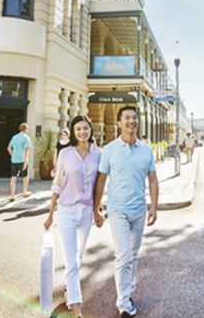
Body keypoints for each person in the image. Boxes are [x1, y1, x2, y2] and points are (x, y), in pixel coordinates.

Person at [94, 106, 159, 318]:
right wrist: (97, 208)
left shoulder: (146, 150)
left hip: (139, 210)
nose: (131, 121)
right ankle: (123, 304)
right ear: (120, 123)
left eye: (134, 117)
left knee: (133, 255)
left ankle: (128, 291)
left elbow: (152, 179)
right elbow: (101, 179)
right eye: (127, 118)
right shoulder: (110, 150)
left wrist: (154, 206)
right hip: (117, 210)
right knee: (123, 256)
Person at [43, 115, 102, 318]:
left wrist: (97, 210)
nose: (82, 132)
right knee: (71, 261)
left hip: (86, 212)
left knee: (79, 257)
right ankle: (77, 309)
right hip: (66, 210)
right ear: (73, 132)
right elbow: (57, 183)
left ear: (90, 130)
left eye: (85, 128)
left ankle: (70, 289)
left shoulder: (98, 154)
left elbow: (99, 186)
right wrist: (50, 213)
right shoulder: (65, 154)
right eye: (78, 129)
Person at [8, 122, 32, 201]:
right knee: (25, 176)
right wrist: (26, 161)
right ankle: (24, 191)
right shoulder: (26, 138)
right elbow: (27, 151)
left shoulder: (14, 137)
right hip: (22, 160)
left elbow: (8, 148)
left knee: (13, 177)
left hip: (14, 160)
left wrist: (13, 155)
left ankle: (12, 195)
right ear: (26, 129)